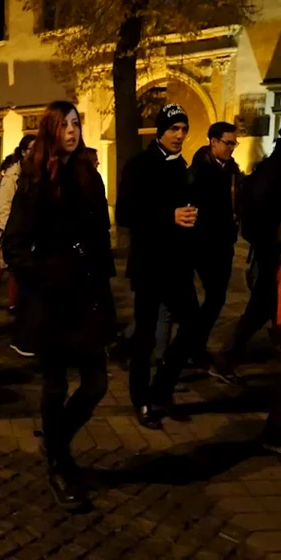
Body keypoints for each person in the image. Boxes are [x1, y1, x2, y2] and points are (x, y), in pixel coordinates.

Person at [3, 101, 115, 511]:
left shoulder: (89, 174)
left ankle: (56, 442)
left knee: (97, 382)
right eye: (64, 124)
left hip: (86, 294)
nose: (72, 129)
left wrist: (103, 285)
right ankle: (58, 462)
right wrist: (46, 275)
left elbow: (101, 233)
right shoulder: (33, 180)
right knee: (55, 385)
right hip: (52, 299)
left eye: (76, 123)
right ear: (52, 130)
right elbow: (13, 245)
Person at [116, 103, 200, 430]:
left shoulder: (184, 168)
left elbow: (187, 208)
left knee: (193, 326)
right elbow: (125, 213)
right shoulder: (139, 165)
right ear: (160, 130)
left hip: (177, 264)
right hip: (149, 263)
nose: (179, 136)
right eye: (173, 129)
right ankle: (142, 399)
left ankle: (162, 388)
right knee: (146, 335)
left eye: (183, 130)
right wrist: (168, 216)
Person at [214, 130, 281, 383]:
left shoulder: (269, 167)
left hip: (269, 250)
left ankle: (228, 356)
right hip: (273, 252)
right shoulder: (274, 169)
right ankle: (227, 356)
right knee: (264, 303)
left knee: (264, 305)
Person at [188, 122, 242, 370]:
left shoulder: (231, 170)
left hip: (224, 243)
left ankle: (195, 345)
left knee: (216, 298)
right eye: (228, 142)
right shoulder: (199, 171)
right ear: (214, 141)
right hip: (204, 245)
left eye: (234, 143)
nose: (232, 147)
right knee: (214, 297)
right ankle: (193, 346)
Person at [0, 135, 35, 317]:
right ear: (24, 151)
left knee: (14, 269)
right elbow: (4, 206)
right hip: (4, 228)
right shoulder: (11, 177)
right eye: (31, 149)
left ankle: (13, 304)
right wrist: (5, 233)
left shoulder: (31, 173)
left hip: (19, 228)